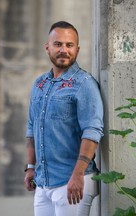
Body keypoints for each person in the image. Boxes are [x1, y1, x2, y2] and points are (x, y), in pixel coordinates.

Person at [24, 21, 104, 216]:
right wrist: (30, 167)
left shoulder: (84, 84)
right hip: (43, 183)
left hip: (73, 181)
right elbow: (31, 127)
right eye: (58, 44)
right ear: (47, 48)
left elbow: (93, 131)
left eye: (69, 45)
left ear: (77, 49)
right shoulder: (40, 84)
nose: (64, 50)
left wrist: (77, 175)